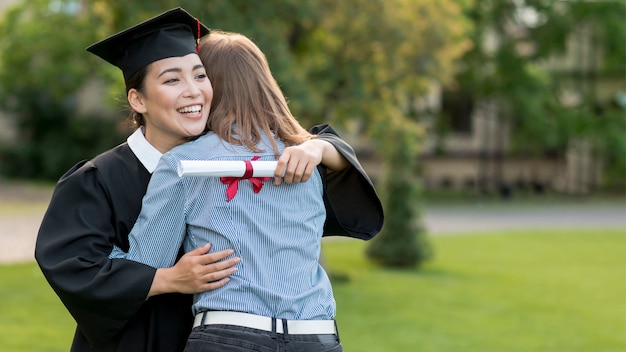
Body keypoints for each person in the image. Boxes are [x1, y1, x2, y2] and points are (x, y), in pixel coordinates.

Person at [34, 7, 383, 352]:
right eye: (172, 79)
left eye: (201, 76)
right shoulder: (97, 180)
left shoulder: (257, 161)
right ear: (137, 99)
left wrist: (321, 148)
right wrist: (167, 279)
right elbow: (76, 270)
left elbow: (318, 159)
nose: (193, 91)